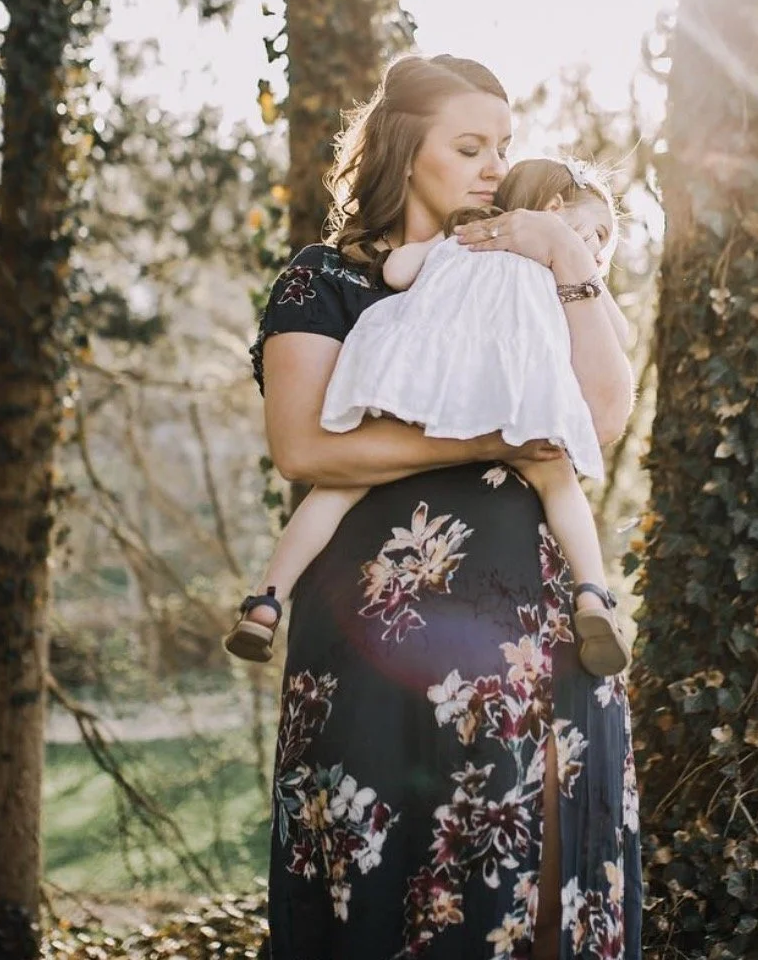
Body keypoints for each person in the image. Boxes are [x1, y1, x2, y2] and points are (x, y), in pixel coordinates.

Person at [249, 54, 641, 959]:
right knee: (378, 901)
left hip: (543, 631)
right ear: (403, 151)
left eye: (502, 145)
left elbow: (602, 418)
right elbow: (304, 447)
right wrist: (490, 439)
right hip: (374, 645)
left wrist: (569, 259)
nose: (495, 166)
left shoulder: (531, 264)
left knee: (545, 900)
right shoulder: (326, 281)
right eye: (469, 146)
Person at [225, 154, 633, 677]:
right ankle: (594, 597)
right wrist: (575, 264)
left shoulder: (464, 234)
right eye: (596, 233)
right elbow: (618, 338)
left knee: (337, 489)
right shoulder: (559, 273)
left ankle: (265, 600)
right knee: (557, 482)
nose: (598, 251)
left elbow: (395, 271)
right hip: (511, 403)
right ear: (553, 209)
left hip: (429, 391)